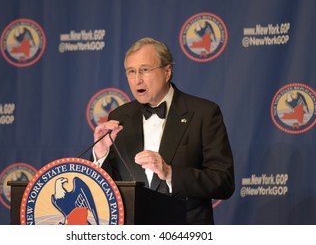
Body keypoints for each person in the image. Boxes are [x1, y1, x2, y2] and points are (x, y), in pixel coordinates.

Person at [92, 37, 235, 224]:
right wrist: (100, 155)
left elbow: (223, 182)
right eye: (131, 72)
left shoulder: (203, 113)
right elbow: (108, 189)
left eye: (145, 70)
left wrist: (170, 173)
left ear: (167, 72)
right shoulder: (119, 117)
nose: (137, 80)